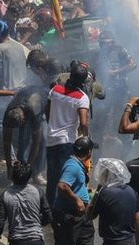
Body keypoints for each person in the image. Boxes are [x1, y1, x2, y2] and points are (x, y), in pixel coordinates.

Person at [45, 62, 92, 206]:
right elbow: (83, 123)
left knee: (52, 178)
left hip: (51, 139)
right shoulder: (82, 97)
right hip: (67, 141)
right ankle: (62, 209)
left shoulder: (55, 89)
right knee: (66, 178)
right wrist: (86, 139)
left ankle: (49, 210)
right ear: (83, 82)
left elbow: (47, 110)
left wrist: (52, 124)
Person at [52, 136, 97, 245]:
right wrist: (77, 200)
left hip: (80, 216)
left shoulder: (78, 164)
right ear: (89, 152)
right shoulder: (73, 166)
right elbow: (62, 186)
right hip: (69, 215)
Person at [0, 160, 52, 245]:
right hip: (36, 240)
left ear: (13, 176)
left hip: (16, 240)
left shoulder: (4, 195)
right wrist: (37, 224)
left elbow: (0, 220)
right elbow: (48, 216)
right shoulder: (38, 192)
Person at [88, 159, 139, 245]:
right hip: (129, 240)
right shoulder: (131, 191)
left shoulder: (105, 192)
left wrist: (98, 190)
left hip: (112, 241)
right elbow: (137, 218)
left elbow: (91, 214)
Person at [3, 84, 47, 181]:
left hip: (42, 100)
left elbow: (36, 141)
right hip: (27, 99)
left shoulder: (34, 109)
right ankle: (19, 169)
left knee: (43, 140)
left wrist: (29, 166)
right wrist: (8, 166)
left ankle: (36, 172)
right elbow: (6, 142)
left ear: (23, 118)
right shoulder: (9, 113)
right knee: (22, 139)